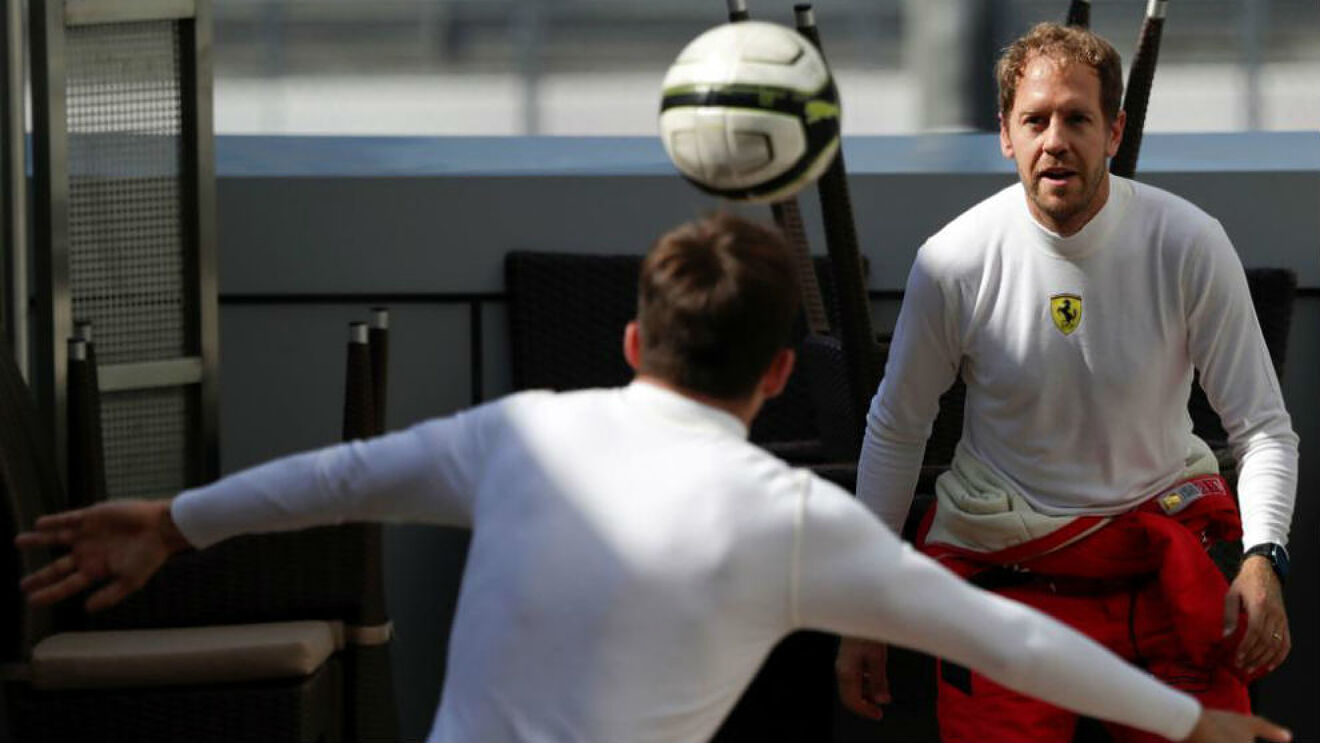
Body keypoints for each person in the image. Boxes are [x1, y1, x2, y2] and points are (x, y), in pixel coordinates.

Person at [18, 214, 1288, 743]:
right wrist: (1196, 720)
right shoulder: (792, 520)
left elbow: (332, 476)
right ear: (786, 376)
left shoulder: (515, 433)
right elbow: (1005, 634)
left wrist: (171, 523)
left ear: (632, 342)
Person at [837, 21, 1299, 743]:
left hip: (1160, 571)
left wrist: (1264, 557)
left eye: (1078, 118)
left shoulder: (1189, 242)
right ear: (1005, 135)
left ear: (1114, 132)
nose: (1056, 139)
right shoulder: (951, 261)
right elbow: (897, 428)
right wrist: (862, 608)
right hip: (1005, 587)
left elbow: (1263, 427)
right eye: (1036, 119)